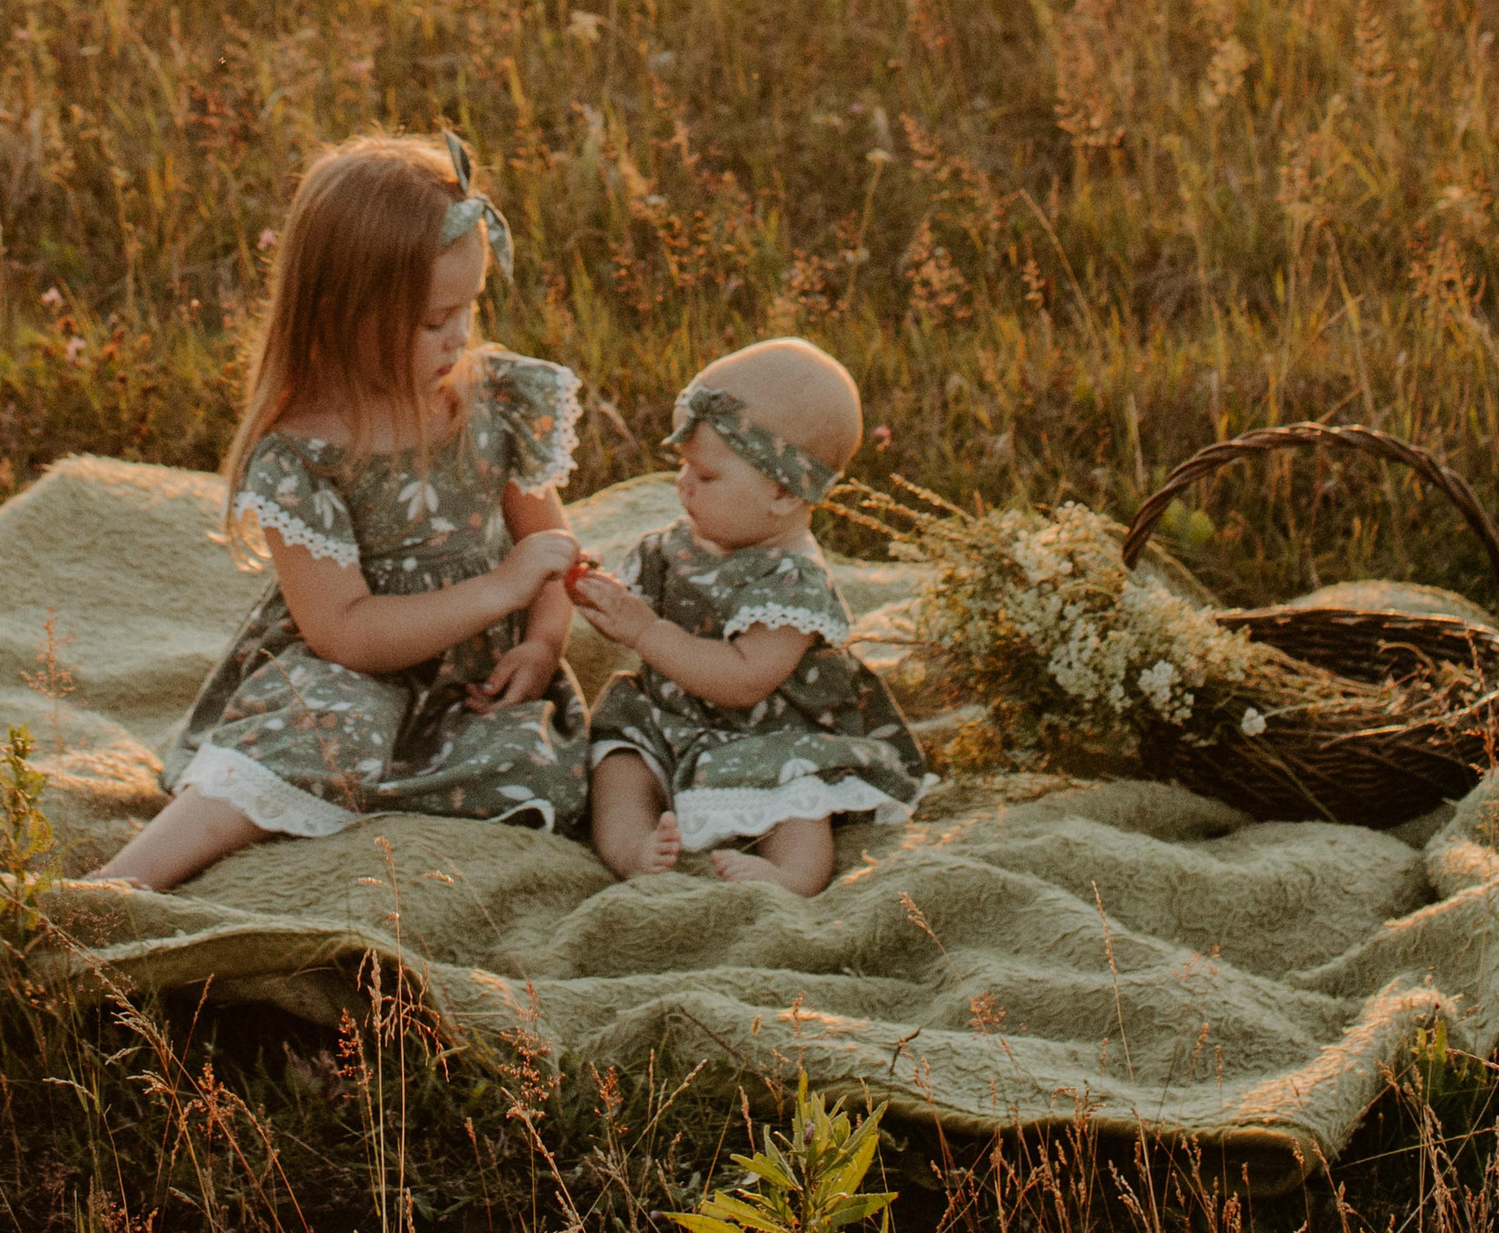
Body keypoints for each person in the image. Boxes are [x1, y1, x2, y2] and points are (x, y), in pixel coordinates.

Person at [91, 132, 586, 889]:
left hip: (474, 686)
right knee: (319, 725)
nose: (460, 335)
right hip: (357, 674)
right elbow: (343, 631)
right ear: (339, 313)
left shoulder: (494, 400)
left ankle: (369, 806)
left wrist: (543, 642)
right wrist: (498, 590)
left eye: (470, 307)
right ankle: (121, 885)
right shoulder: (304, 454)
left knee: (541, 763)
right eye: (432, 321)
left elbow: (548, 549)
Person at [571, 337, 930, 894]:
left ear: (784, 492)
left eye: (707, 476)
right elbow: (638, 603)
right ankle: (632, 848)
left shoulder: (791, 583)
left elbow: (744, 680)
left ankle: (793, 873)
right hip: (671, 714)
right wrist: (600, 593)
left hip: (766, 730)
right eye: (683, 466)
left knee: (796, 794)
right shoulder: (683, 544)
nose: (683, 485)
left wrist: (644, 630)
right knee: (618, 759)